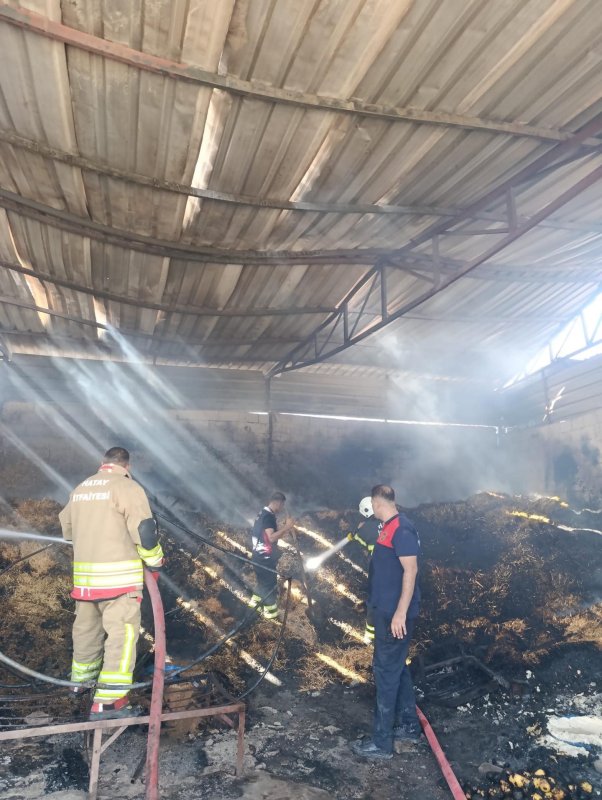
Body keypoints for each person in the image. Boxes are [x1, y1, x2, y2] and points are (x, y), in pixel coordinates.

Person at [59, 446, 164, 720]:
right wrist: (155, 561)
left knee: (86, 633)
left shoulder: (81, 489)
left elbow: (67, 529)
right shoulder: (127, 487)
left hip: (85, 582)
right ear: (127, 466)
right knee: (123, 636)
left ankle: (80, 687)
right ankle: (109, 702)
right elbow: (145, 531)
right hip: (119, 583)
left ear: (102, 463)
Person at [352, 484, 421, 760]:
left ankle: (382, 743)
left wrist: (400, 613)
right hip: (384, 612)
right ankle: (408, 725)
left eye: (372, 507)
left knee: (385, 673)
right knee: (396, 669)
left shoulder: (402, 529)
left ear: (378, 503)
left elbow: (411, 571)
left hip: (395, 617)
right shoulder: (387, 527)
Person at [249, 491, 294, 619]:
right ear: (278, 502)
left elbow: (265, 533)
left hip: (257, 556)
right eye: (282, 505)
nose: (282, 508)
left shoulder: (263, 513)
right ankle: (271, 613)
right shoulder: (269, 517)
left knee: (262, 582)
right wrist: (287, 527)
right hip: (265, 559)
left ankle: (254, 602)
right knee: (270, 586)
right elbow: (271, 538)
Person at [348, 496, 380, 643]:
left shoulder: (366, 528)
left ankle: (370, 637)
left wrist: (355, 533)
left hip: (380, 570)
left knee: (374, 602)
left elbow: (358, 542)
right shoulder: (391, 522)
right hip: (401, 569)